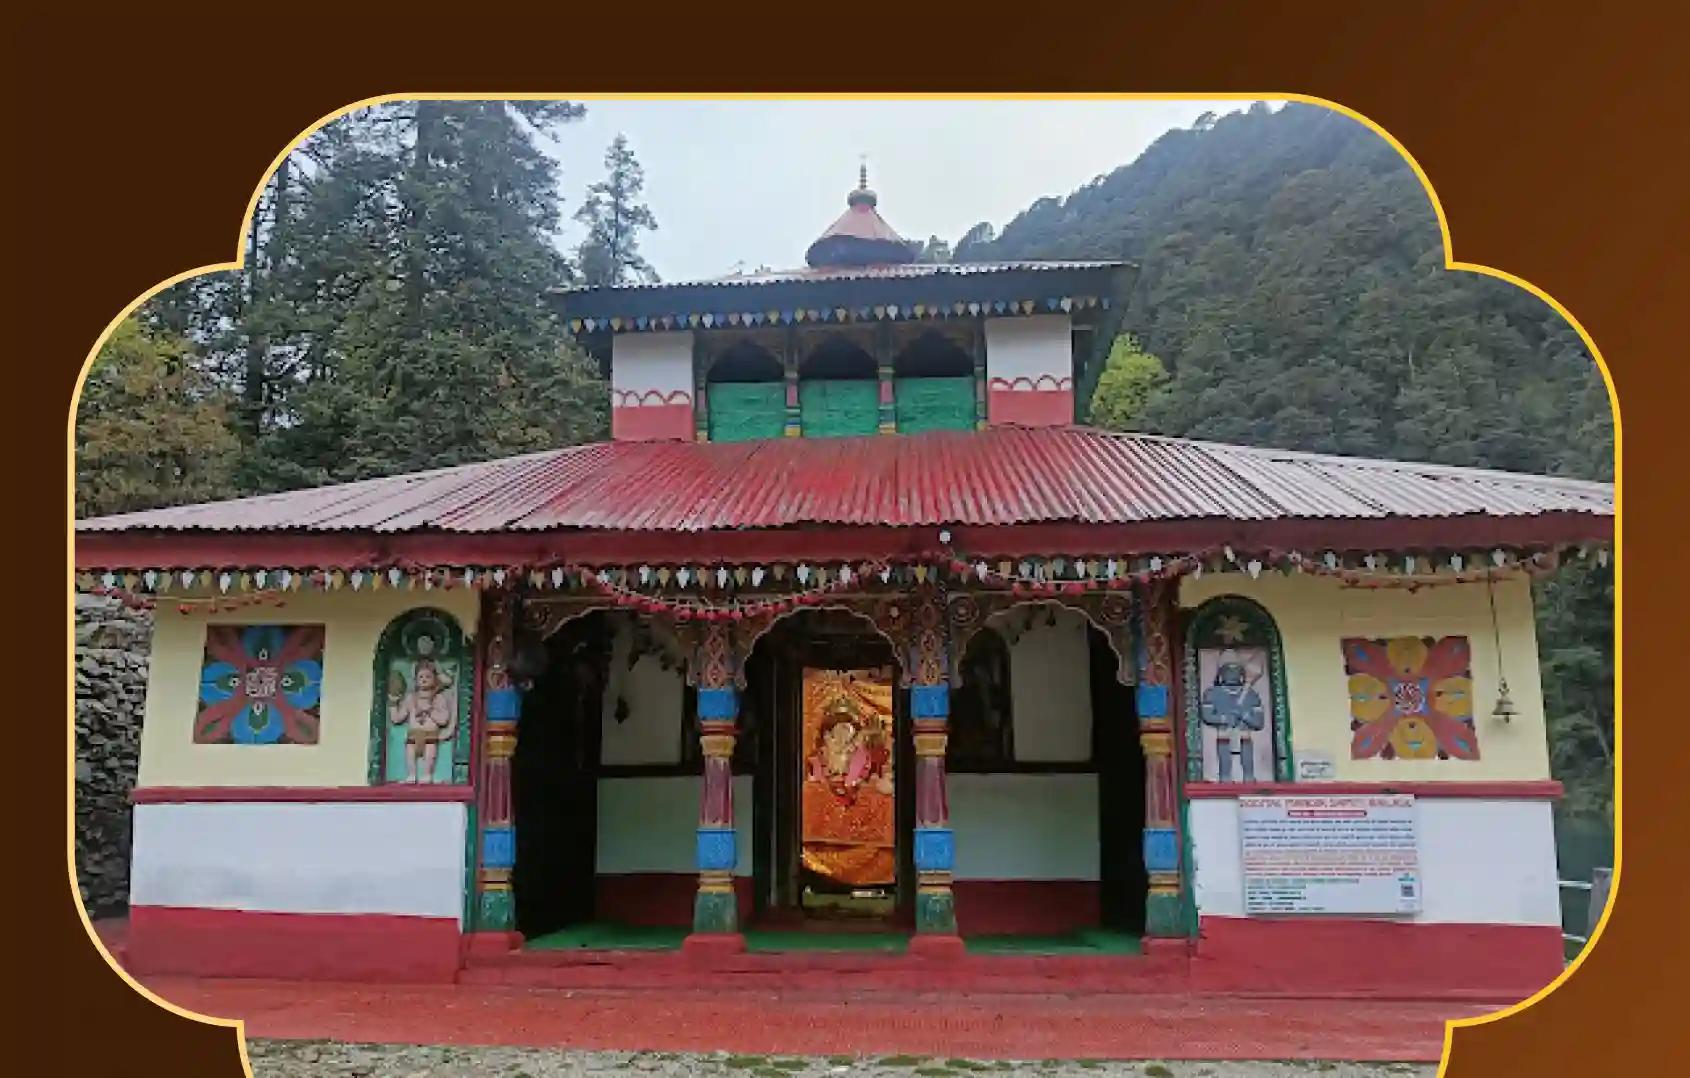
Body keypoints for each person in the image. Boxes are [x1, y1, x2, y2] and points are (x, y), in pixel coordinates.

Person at [1200, 650, 1266, 782]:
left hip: (1243, 732)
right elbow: (1207, 715)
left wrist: (1245, 716)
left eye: (1235, 670)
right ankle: (1225, 776)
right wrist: (1224, 718)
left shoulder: (1251, 694)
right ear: (1220, 674)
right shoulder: (1212, 693)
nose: (1232, 673)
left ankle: (1248, 776)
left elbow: (1259, 721)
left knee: (1245, 746)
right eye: (1228, 670)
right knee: (1224, 747)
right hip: (1224, 731)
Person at [389, 658, 456, 782]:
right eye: (421, 677)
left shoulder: (438, 698)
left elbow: (443, 720)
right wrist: (393, 703)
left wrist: (430, 710)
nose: (424, 679)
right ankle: (411, 774)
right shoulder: (411, 698)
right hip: (413, 735)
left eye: (428, 676)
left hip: (430, 736)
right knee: (410, 755)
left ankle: (427, 774)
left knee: (430, 756)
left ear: (435, 679)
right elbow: (397, 719)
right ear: (415, 680)